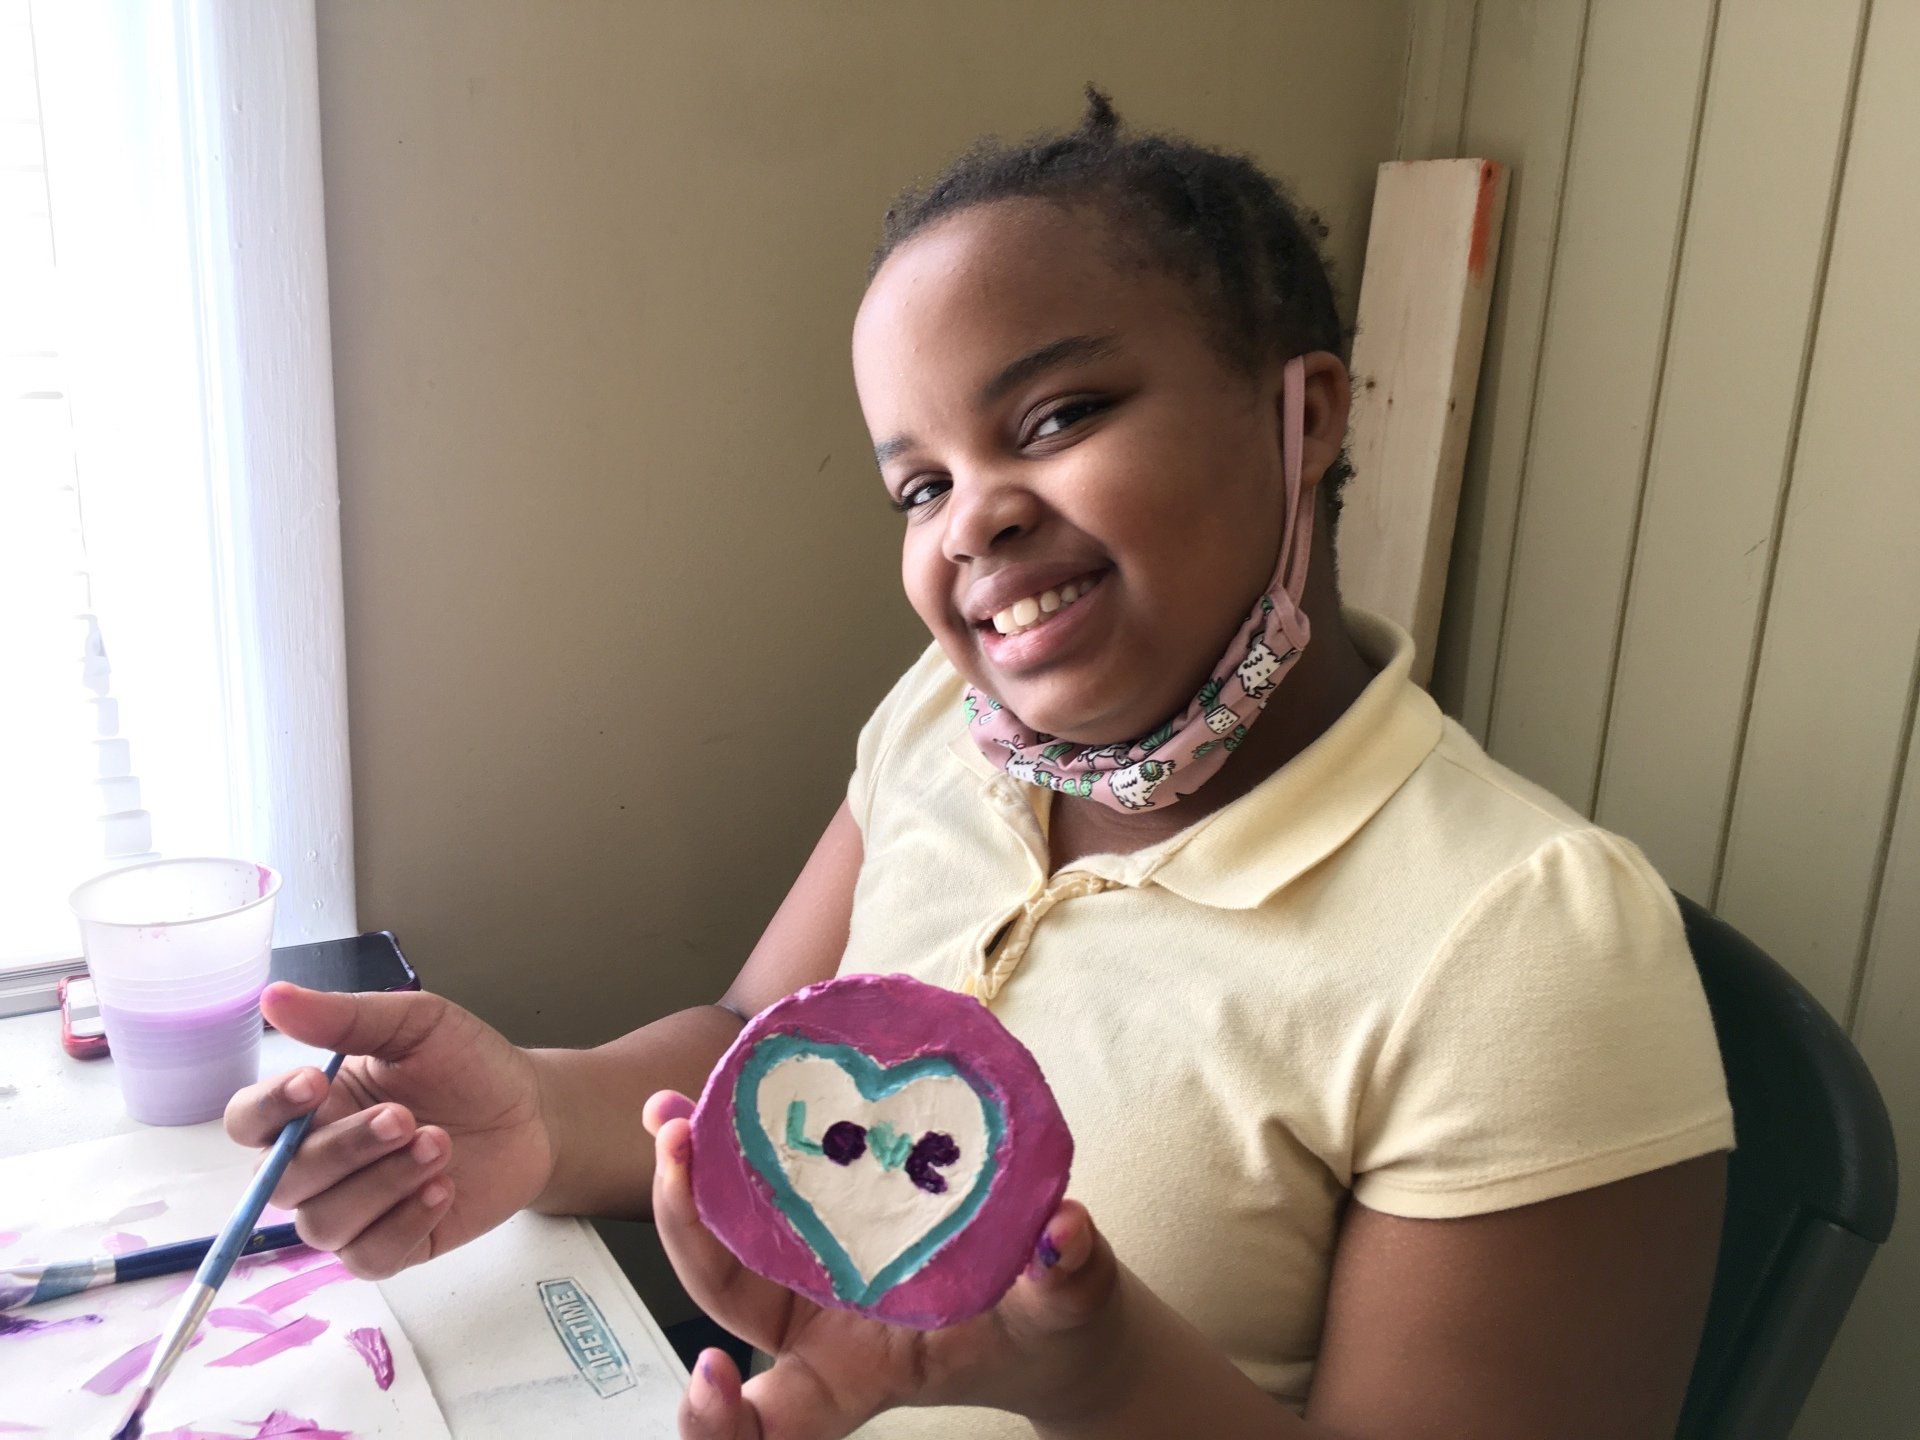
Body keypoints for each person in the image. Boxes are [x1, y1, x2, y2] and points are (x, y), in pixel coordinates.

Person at [227, 91, 1733, 1439]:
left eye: (1060, 416)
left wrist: (1101, 1378)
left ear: (1305, 418)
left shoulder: (1531, 948)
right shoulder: (948, 730)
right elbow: (759, 1036)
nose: (972, 523)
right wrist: (533, 1119)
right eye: (921, 482)